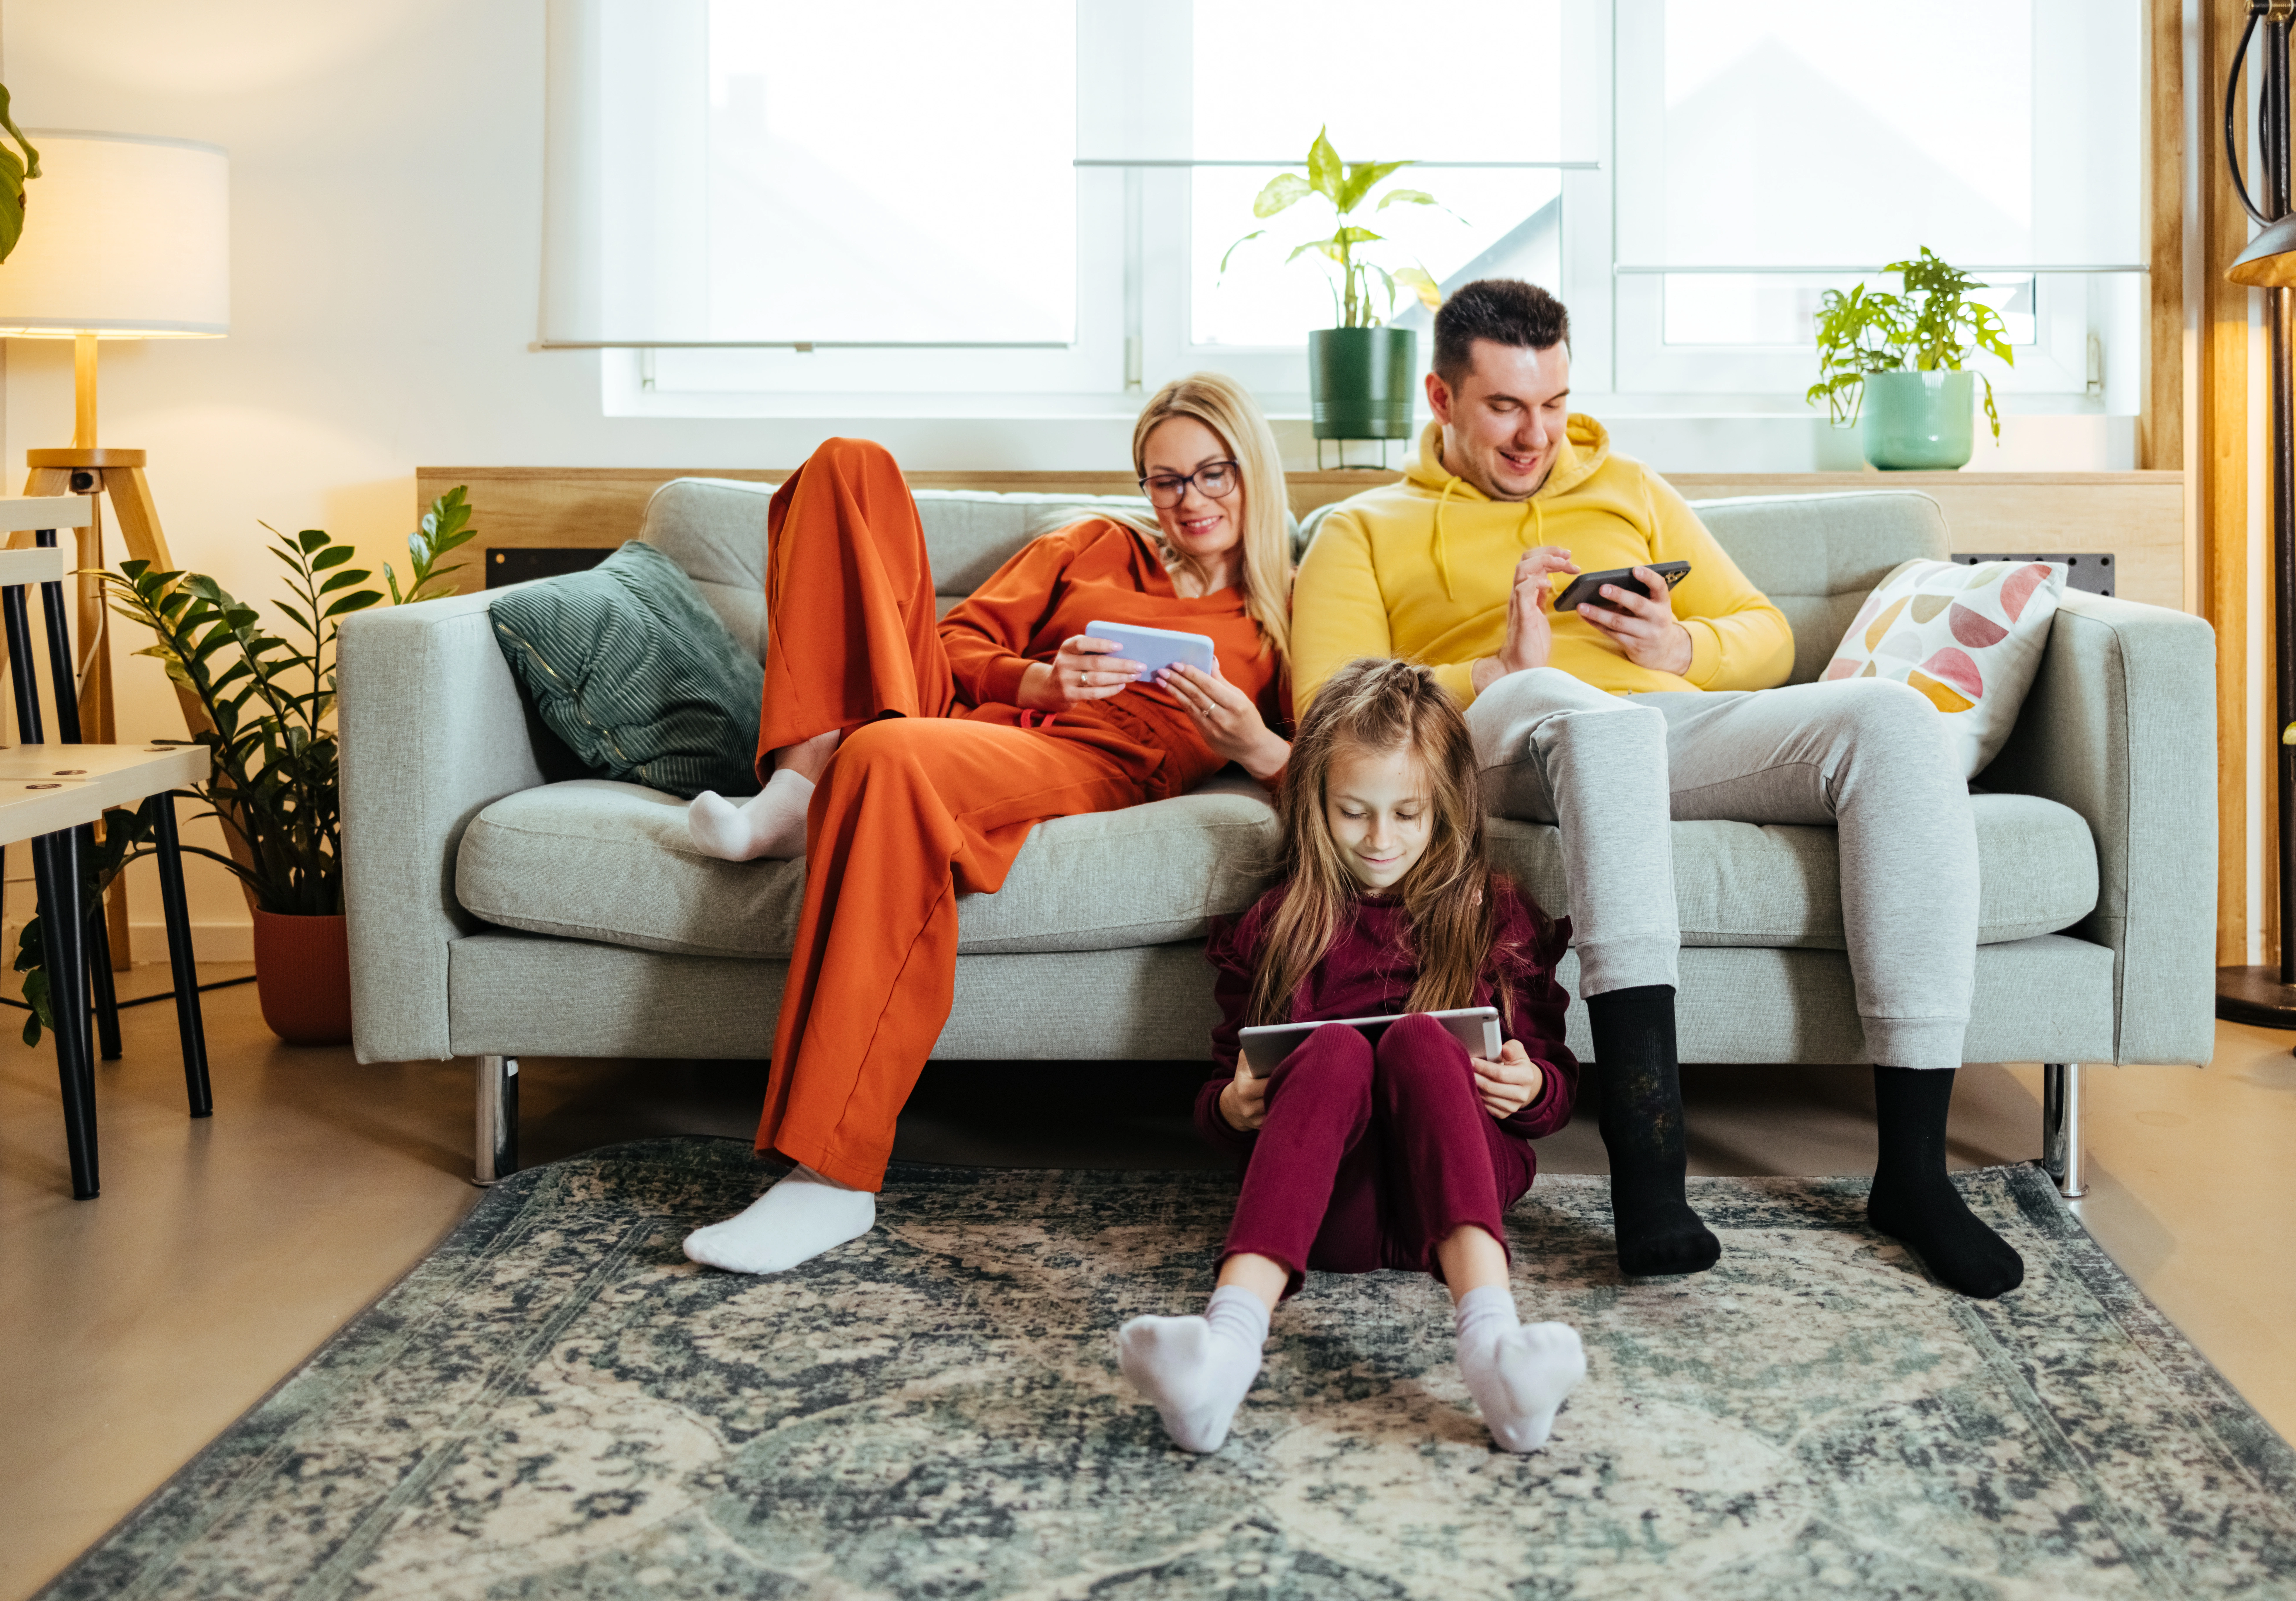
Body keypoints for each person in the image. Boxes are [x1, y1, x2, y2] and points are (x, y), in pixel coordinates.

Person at [1291, 279, 2021, 1301]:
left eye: (1552, 404)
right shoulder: (1363, 527)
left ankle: (1913, 1172)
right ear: (1441, 398)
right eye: (1504, 407)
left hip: (1658, 724)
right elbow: (1329, 701)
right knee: (1588, 710)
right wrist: (1496, 670)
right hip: (1495, 735)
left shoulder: (1627, 485)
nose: (1533, 435)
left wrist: (1683, 644)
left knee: (1894, 721)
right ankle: (1650, 1163)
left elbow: (1765, 633)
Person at [680, 373, 1297, 1275]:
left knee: (886, 760)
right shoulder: (1092, 541)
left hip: (1086, 758)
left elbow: (1333, 762)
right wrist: (1040, 680)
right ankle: (798, 781)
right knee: (846, 465)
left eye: (1214, 474)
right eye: (1165, 481)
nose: (1190, 501)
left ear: (1253, 472)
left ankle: (829, 1179)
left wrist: (1255, 741)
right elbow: (961, 644)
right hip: (969, 715)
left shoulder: (1280, 612)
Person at [1118, 659, 1587, 1455]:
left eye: (1409, 814)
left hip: (1460, 1189)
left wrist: (1532, 1085)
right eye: (1354, 814)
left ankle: (1496, 1347)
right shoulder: (1280, 923)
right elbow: (1225, 1092)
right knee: (1333, 1051)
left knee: (1418, 1041)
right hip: (1332, 1211)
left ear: (1447, 809)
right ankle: (1225, 1350)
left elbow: (1552, 1086)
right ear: (1314, 806)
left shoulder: (1495, 913)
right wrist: (1231, 1109)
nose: (1381, 841)